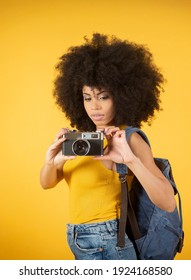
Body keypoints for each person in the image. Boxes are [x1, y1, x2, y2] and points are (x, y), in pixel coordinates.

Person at [40, 33, 176, 260]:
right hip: (78, 238)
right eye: (87, 97)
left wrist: (130, 161)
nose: (94, 107)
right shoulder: (81, 141)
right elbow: (46, 183)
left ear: (122, 96)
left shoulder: (129, 139)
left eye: (103, 97)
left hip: (108, 241)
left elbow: (168, 202)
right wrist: (52, 162)